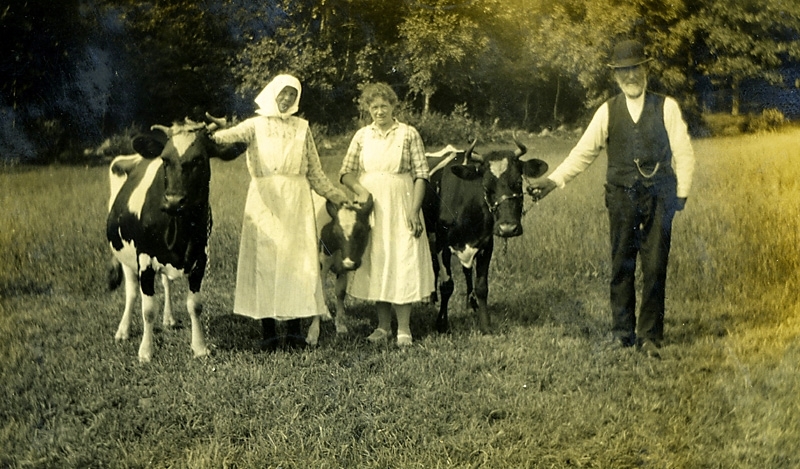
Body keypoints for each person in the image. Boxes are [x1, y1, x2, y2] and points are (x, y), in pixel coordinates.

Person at [528, 39, 695, 358]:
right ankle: (622, 333)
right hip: (620, 196)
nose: (631, 75)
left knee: (655, 265)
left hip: (661, 195)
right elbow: (583, 152)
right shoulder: (607, 110)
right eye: (624, 70)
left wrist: (681, 194)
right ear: (616, 75)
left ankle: (649, 336)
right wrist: (552, 181)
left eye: (636, 68)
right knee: (622, 264)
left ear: (645, 69)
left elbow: (684, 152)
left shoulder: (666, 106)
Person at [211, 74, 348, 351]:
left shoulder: (302, 127)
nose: (287, 99)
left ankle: (295, 332)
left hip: (297, 201)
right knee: (267, 262)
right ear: (271, 92)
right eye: (283, 93)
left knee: (296, 263)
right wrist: (214, 132)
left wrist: (338, 196)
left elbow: (315, 172)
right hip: (265, 201)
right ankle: (269, 333)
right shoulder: (255, 125)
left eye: (292, 95)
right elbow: (227, 137)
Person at [339, 83, 435, 346]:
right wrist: (360, 189)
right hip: (371, 206)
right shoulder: (361, 135)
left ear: (394, 106)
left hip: (402, 201)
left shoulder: (408, 134)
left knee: (402, 259)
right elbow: (345, 171)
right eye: (373, 107)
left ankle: (403, 327)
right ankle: (383, 327)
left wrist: (414, 211)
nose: (379, 111)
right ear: (367, 109)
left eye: (384, 106)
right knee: (378, 259)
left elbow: (421, 174)